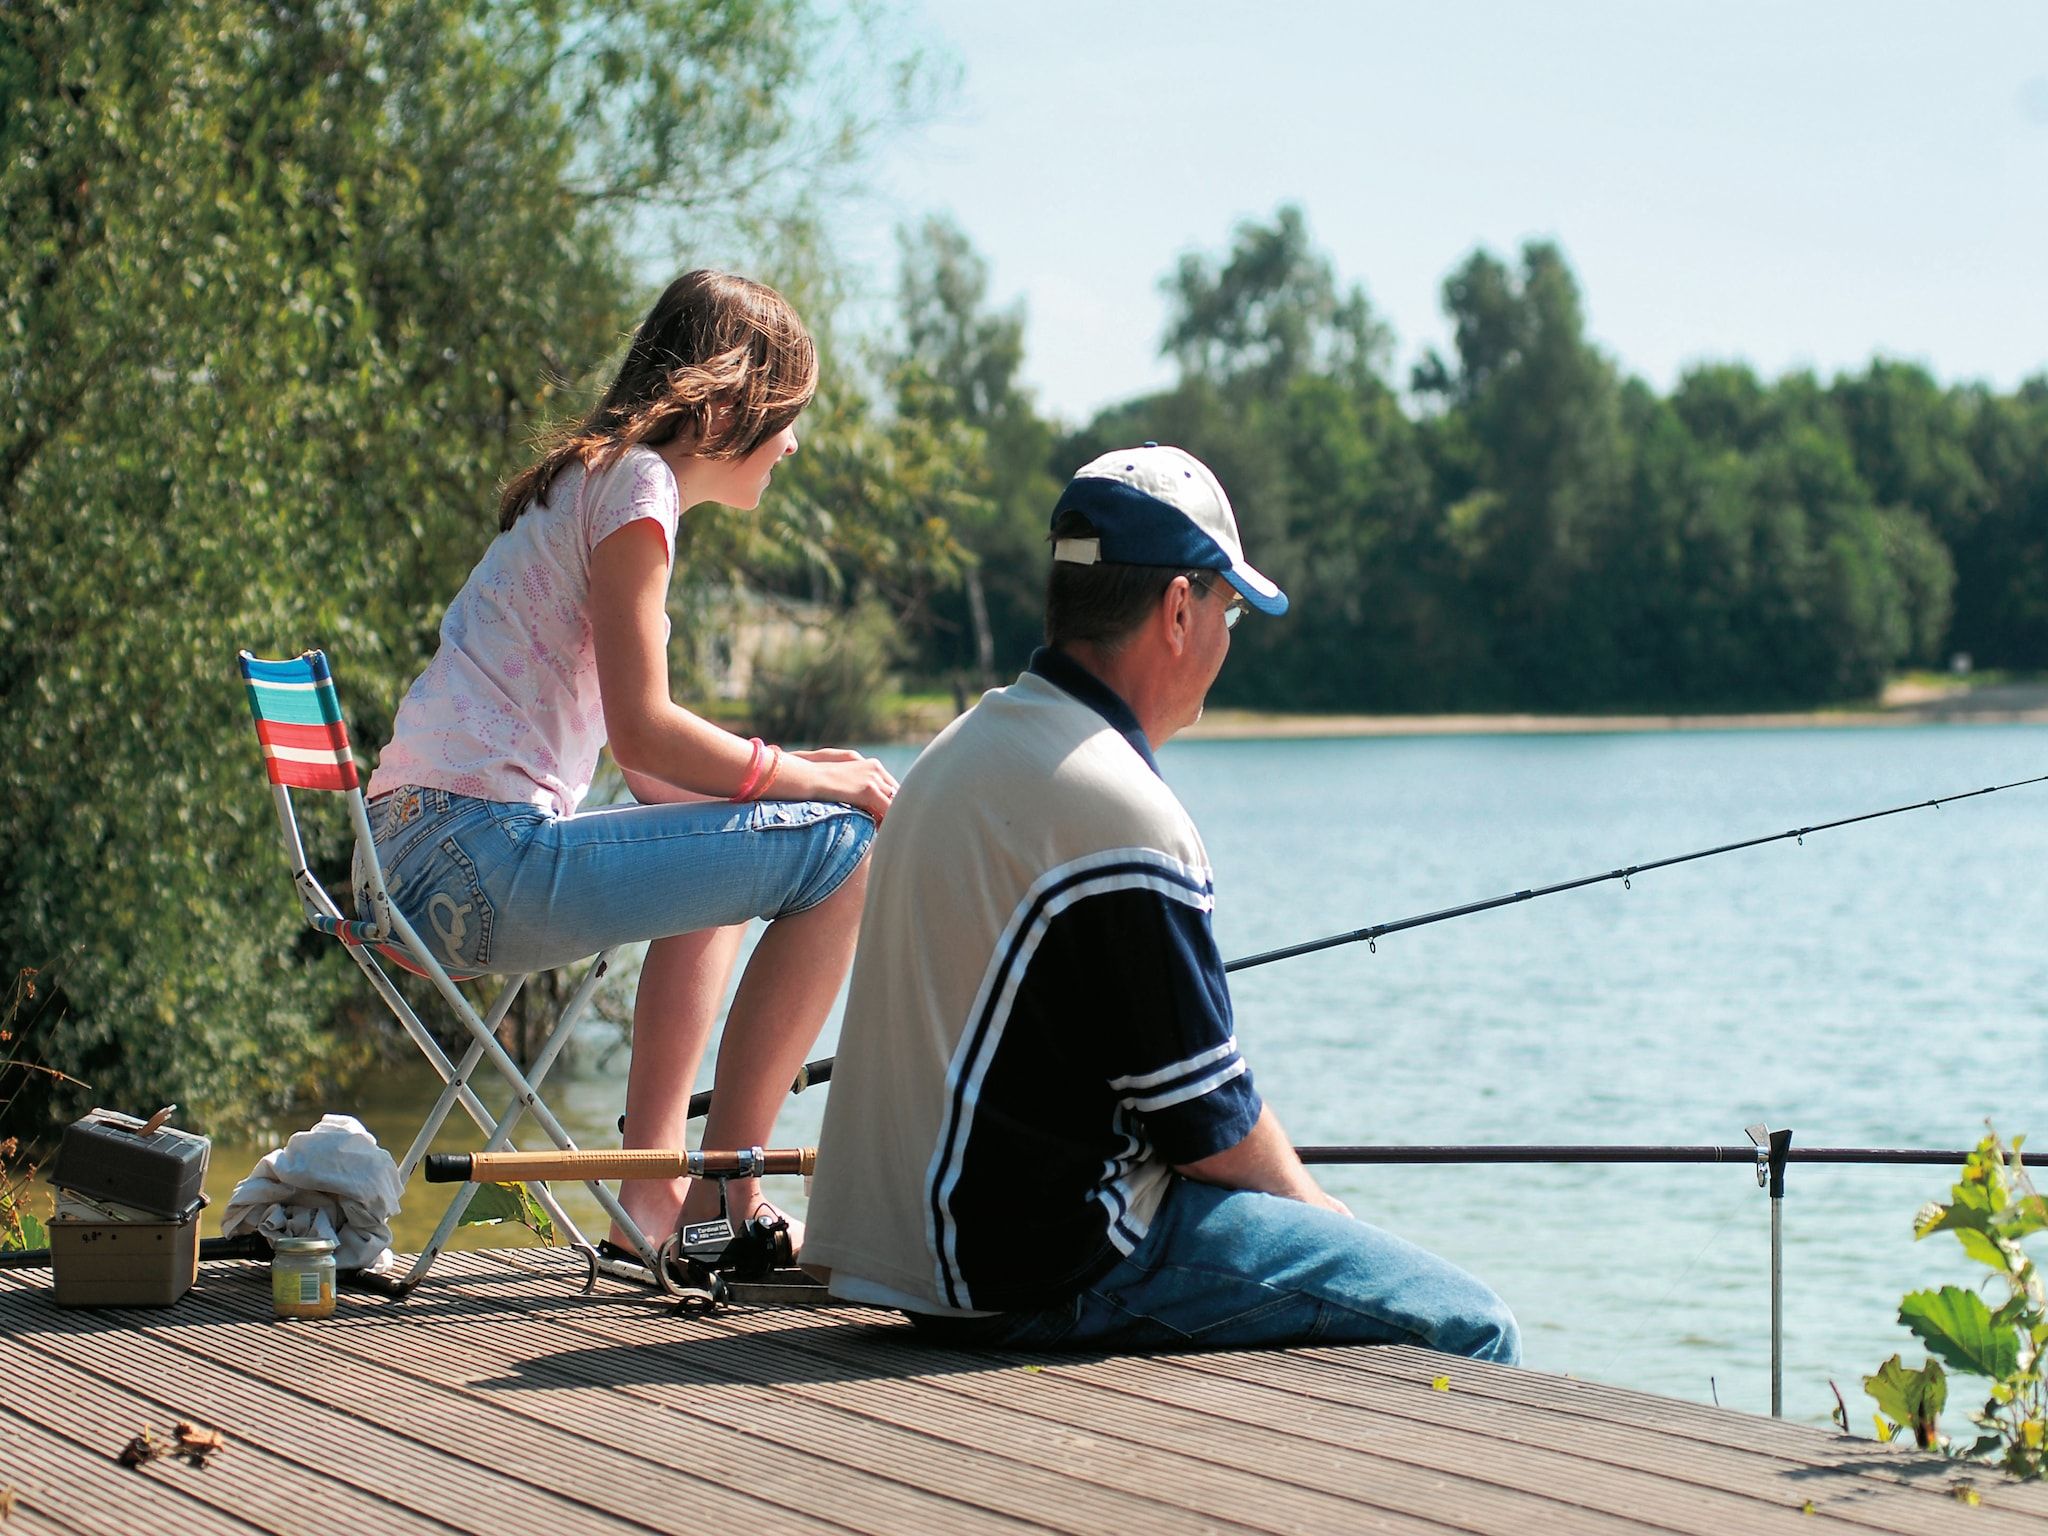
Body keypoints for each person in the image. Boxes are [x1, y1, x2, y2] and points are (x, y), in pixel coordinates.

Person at [803, 444, 1518, 1361]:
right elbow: (1206, 1125)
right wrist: (1325, 1215)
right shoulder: (1121, 809)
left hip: (908, 1264)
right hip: (1038, 1270)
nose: (1227, 638)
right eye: (1229, 610)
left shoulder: (955, 754)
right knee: (1470, 1326)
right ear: (1179, 609)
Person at [360, 270, 896, 1273]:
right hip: (472, 864)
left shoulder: (596, 478)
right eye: (786, 418)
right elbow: (646, 735)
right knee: (844, 847)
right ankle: (728, 1200)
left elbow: (658, 779)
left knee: (739, 854)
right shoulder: (637, 490)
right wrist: (817, 785)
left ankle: (651, 1201)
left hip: (415, 859)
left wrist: (776, 777)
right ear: (729, 405)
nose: (792, 444)